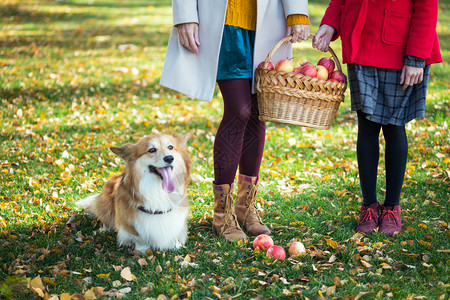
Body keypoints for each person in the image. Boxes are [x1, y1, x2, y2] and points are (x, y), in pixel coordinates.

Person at [160, 0, 310, 242]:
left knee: (259, 110)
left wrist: (297, 11)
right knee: (240, 109)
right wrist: (185, 14)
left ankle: (245, 207)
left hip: (267, 19)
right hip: (223, 21)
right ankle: (222, 211)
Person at [313, 0, 442, 236]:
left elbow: (427, 6)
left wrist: (415, 57)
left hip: (400, 47)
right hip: (360, 43)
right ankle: (369, 206)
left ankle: (392, 207)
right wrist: (331, 22)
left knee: (394, 127)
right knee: (367, 127)